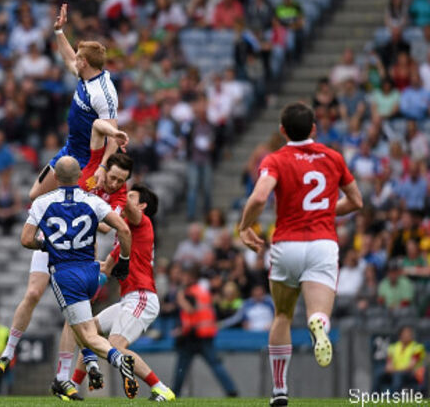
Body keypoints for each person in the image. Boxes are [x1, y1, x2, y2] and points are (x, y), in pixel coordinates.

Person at [237, 102, 363, 407]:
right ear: (314, 129)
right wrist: (323, 211)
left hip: (287, 245)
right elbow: (356, 201)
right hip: (322, 244)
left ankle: (280, 389)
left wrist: (244, 226)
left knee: (282, 315)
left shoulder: (276, 159)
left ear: (282, 131)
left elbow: (260, 196)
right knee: (318, 313)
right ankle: (319, 324)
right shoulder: (333, 157)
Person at [0, 120, 129, 380]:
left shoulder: (116, 196)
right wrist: (113, 134)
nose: (114, 184)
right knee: (33, 293)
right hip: (52, 241)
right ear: (105, 168)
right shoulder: (88, 168)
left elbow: (105, 228)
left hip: (80, 253)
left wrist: (89, 209)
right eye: (112, 177)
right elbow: (98, 125)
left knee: (74, 315)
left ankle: (65, 375)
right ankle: (8, 352)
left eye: (120, 181)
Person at [16, 156, 136, 400]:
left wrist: (46, 244)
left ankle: (118, 359)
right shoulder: (93, 201)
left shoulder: (43, 202)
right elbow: (123, 229)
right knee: (77, 325)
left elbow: (26, 239)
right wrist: (124, 260)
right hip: (91, 272)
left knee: (87, 334)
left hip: (66, 274)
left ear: (56, 177)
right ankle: (66, 378)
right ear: (80, 177)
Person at [68, 184, 176, 402]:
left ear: (142, 206)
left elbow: (125, 204)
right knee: (87, 331)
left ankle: (161, 389)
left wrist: (114, 185)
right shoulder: (123, 236)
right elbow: (105, 268)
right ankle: (72, 387)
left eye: (131, 196)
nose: (125, 199)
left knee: (116, 346)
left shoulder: (142, 222)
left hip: (142, 296)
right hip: (129, 299)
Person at [28, 4, 119, 201]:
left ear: (84, 62)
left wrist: (103, 167)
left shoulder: (103, 93)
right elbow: (69, 58)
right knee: (35, 195)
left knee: (75, 207)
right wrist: (59, 31)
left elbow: (113, 138)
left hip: (89, 161)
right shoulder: (85, 75)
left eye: (78, 58)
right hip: (70, 150)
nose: (74, 60)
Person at [172, 266, 239, 397]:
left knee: (181, 367)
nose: (182, 278)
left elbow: (191, 310)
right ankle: (231, 391)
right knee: (215, 364)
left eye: (184, 275)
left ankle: (175, 392)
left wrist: (180, 299)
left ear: (191, 277)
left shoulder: (188, 293)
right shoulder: (202, 290)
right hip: (206, 334)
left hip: (193, 335)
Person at [377, 325, 426, 393]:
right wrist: (393, 370)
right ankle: (374, 397)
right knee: (379, 374)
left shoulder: (417, 347)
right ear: (400, 335)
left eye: (409, 334)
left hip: (412, 375)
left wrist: (396, 370)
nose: (407, 336)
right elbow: (388, 366)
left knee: (398, 376)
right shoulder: (393, 347)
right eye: (405, 334)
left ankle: (394, 397)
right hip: (395, 373)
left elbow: (410, 367)